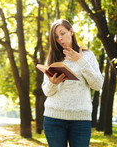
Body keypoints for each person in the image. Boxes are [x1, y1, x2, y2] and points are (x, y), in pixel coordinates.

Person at [42, 19, 103, 147]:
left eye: (62, 33)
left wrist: (81, 62)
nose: (60, 39)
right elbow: (47, 91)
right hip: (54, 118)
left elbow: (98, 85)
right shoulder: (52, 58)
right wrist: (53, 83)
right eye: (56, 37)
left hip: (80, 119)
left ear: (71, 31)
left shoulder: (88, 56)